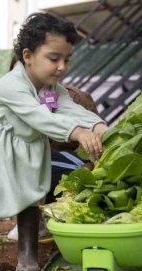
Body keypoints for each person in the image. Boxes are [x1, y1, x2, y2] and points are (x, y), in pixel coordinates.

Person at [0, 12, 108, 271]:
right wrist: (78, 133)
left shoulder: (50, 88)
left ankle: (28, 255)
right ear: (28, 56)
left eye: (66, 60)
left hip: (25, 143)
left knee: (31, 189)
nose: (61, 67)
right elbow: (39, 117)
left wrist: (99, 127)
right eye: (54, 58)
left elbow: (68, 108)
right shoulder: (11, 85)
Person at [5, 57, 100, 242]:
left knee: (49, 162)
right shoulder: (12, 102)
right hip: (36, 165)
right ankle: (32, 221)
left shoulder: (75, 97)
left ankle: (78, 217)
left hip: (69, 165)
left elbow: (94, 139)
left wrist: (90, 164)